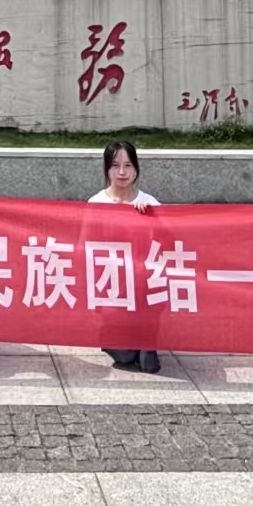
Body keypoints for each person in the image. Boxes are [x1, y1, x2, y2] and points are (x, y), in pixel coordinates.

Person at [89, 139, 162, 373]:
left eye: (128, 165)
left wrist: (150, 218)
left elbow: (165, 246)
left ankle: (148, 340)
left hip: (143, 286)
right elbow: (86, 248)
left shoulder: (149, 203)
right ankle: (121, 339)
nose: (122, 172)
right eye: (115, 165)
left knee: (148, 361)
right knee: (124, 354)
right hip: (112, 285)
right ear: (106, 169)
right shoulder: (96, 203)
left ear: (136, 169)